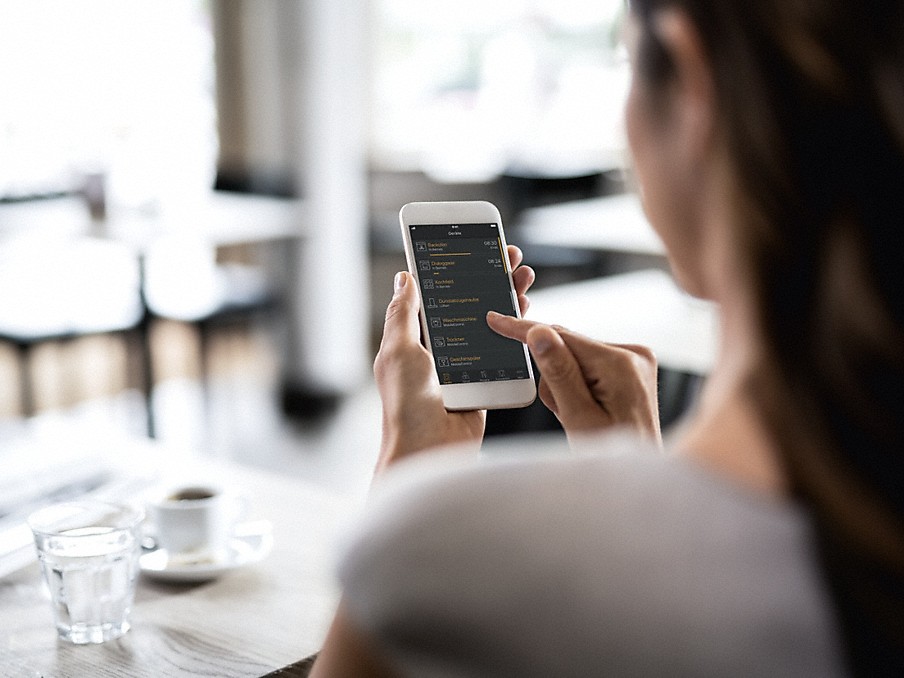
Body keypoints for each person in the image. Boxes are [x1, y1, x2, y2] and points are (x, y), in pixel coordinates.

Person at [311, 0, 904, 674]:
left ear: (692, 78)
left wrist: (409, 468)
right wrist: (638, 462)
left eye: (625, 62)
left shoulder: (436, 550)